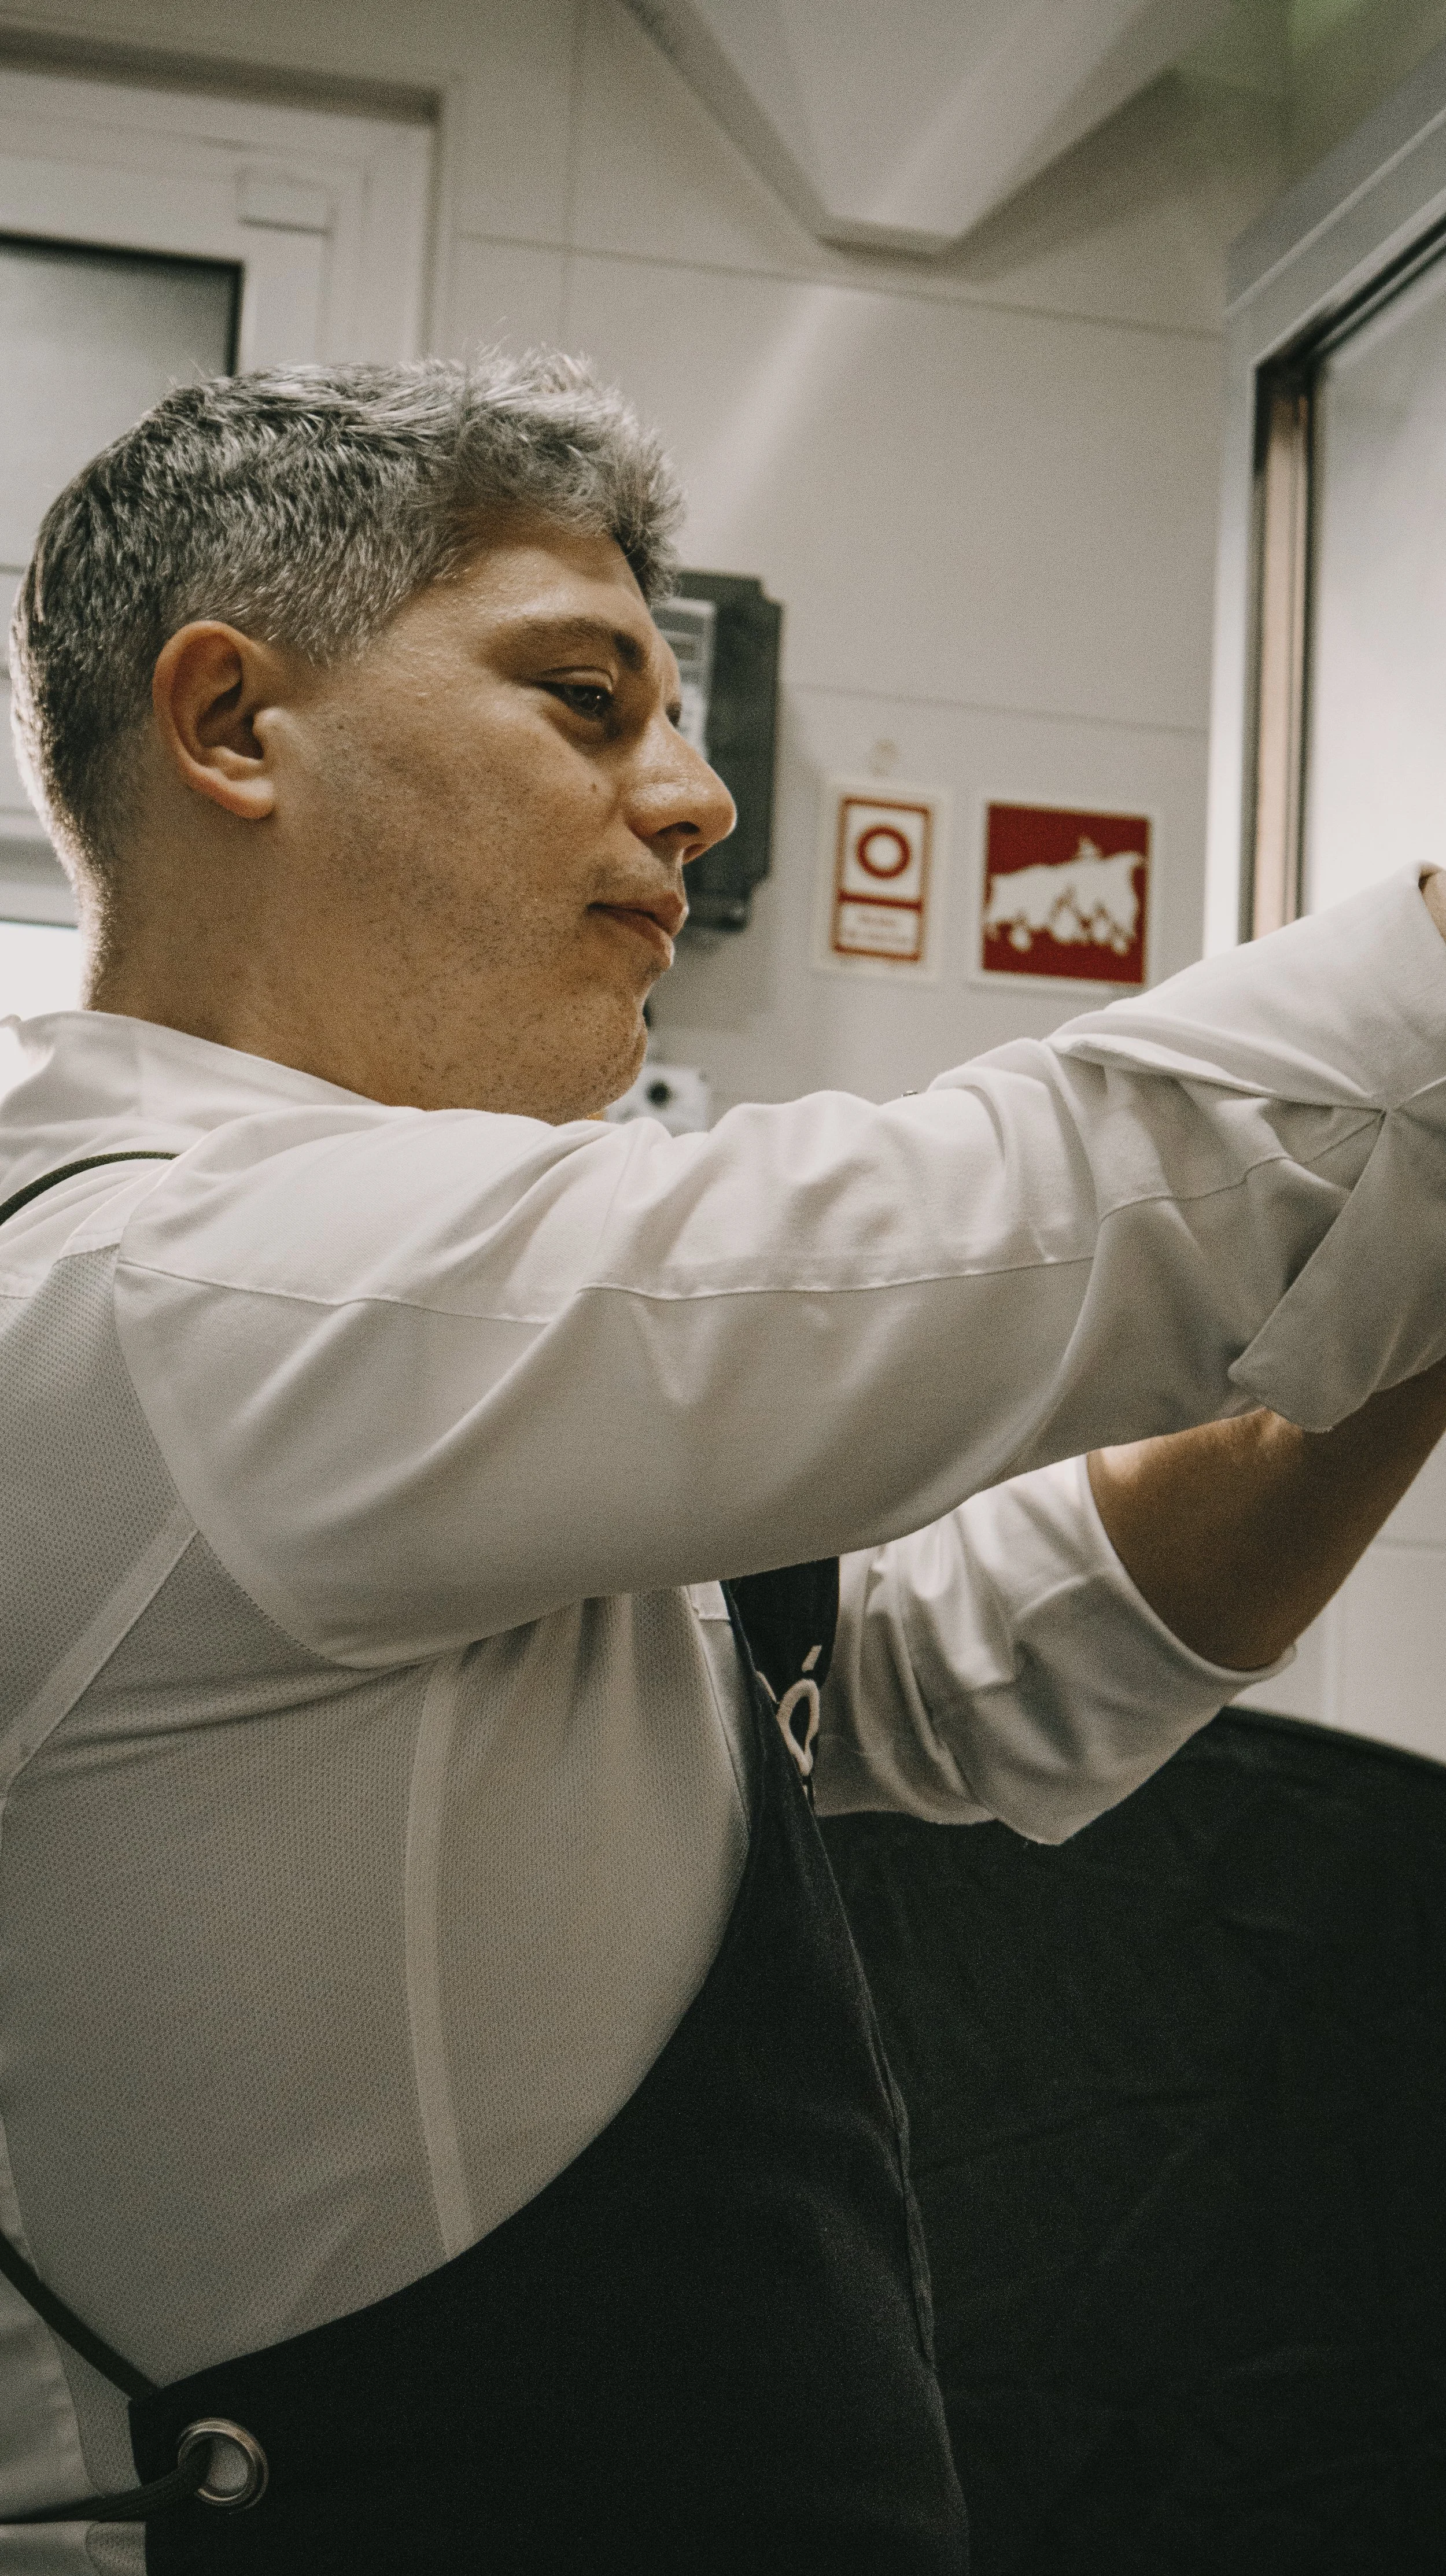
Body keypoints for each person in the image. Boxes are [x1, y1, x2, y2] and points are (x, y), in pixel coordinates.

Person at [3, 353, 1446, 2575]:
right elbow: (1025, 1214)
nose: (695, 799)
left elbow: (957, 1673)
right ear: (230, 727)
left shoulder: (381, 1344)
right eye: (584, 699)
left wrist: (1417, 1308)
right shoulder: (179, 1293)